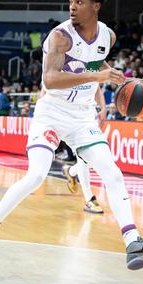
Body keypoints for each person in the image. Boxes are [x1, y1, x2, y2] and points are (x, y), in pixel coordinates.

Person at [0, 0, 143, 272]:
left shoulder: (109, 37)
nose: (72, 7)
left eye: (79, 2)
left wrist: (109, 74)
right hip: (51, 113)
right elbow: (50, 80)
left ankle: (133, 244)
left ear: (96, 6)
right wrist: (96, 77)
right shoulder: (59, 37)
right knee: (36, 176)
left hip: (81, 117)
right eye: (70, 2)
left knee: (113, 173)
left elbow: (93, 62)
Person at [62, 86, 107, 214]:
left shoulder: (93, 67)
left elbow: (97, 88)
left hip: (89, 115)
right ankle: (89, 199)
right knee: (83, 156)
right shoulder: (61, 66)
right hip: (69, 115)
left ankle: (71, 171)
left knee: (94, 157)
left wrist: (103, 108)